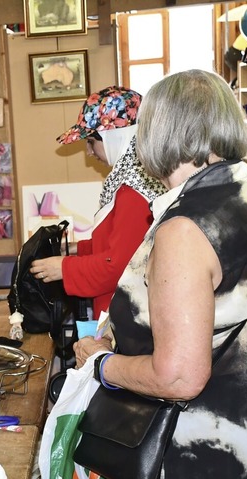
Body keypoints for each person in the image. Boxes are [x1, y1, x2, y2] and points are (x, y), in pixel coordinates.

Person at [73, 70, 247, 479]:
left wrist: (99, 363)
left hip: (205, 463)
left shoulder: (187, 228)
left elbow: (179, 377)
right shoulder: (243, 194)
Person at [30, 86, 166, 320]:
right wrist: (78, 250)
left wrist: (62, 268)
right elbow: (119, 244)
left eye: (92, 141)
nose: (89, 152)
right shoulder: (132, 177)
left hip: (130, 316)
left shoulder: (134, 190)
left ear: (115, 136)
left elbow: (118, 266)